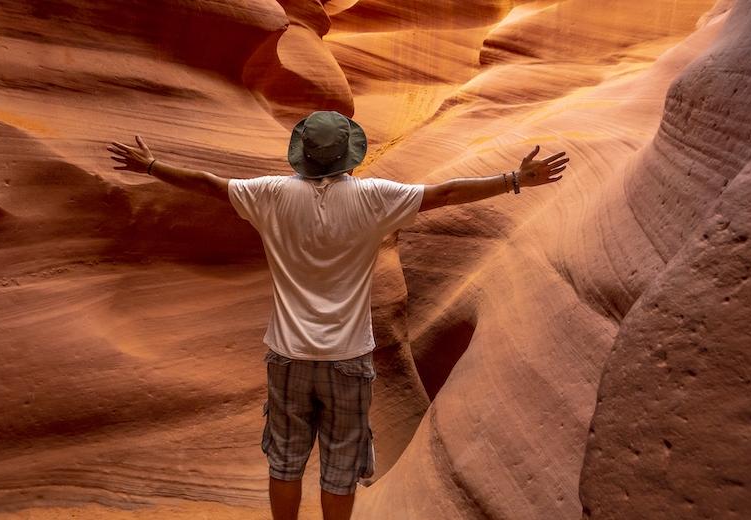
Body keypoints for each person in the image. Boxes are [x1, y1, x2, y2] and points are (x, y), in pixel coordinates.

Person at [108, 110, 568, 520]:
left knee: (285, 460)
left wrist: (152, 166)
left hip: (288, 357)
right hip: (348, 360)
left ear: (302, 155)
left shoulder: (268, 194)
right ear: (349, 154)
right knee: (342, 464)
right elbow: (445, 193)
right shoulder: (375, 198)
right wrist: (514, 180)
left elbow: (208, 184)